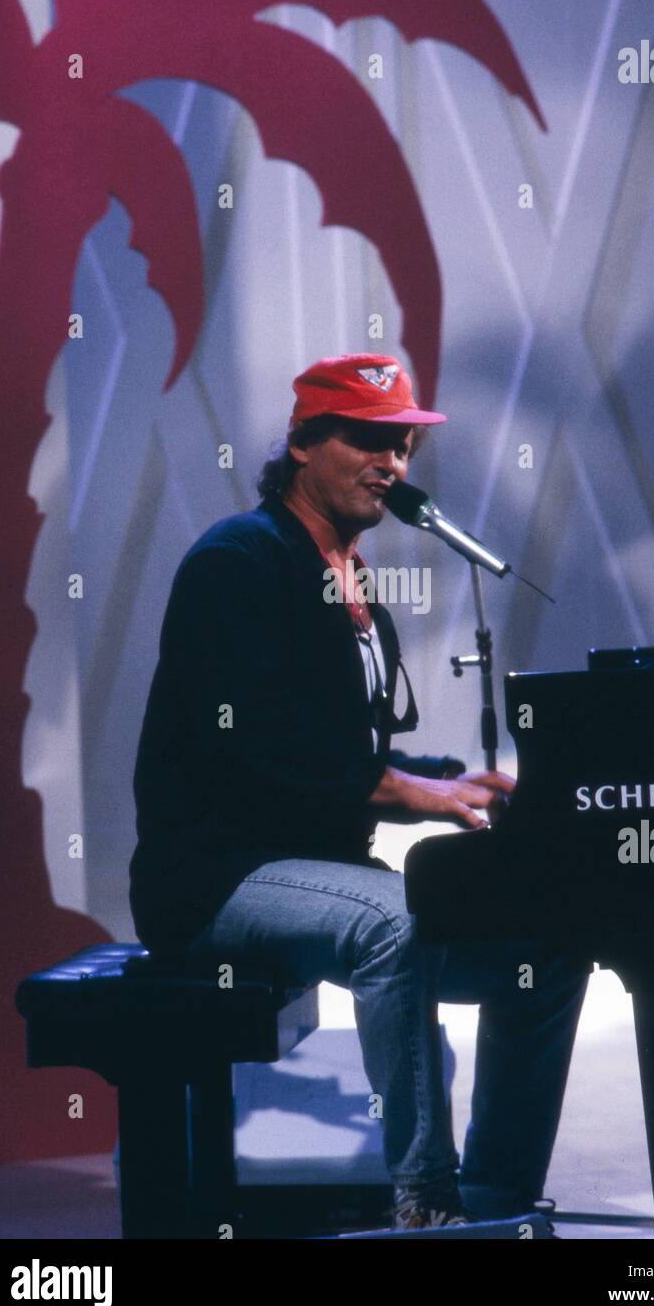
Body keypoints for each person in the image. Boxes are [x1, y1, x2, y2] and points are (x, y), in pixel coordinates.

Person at [128, 352, 589, 1231]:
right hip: (217, 878)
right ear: (303, 444)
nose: (393, 464)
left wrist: (458, 781)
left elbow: (341, 746)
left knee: (548, 943)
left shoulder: (350, 575)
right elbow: (251, 754)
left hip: (320, 870)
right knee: (398, 920)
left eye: (404, 446)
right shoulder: (238, 561)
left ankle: (496, 1192)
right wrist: (407, 793)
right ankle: (427, 1203)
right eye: (368, 440)